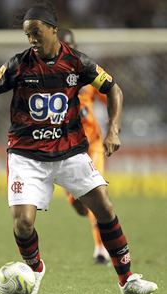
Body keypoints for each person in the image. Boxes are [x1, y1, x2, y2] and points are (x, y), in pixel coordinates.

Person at [0, 2, 157, 294]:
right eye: (27, 34)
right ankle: (35, 268)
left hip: (70, 151)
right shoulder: (18, 64)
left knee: (105, 208)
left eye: (35, 32)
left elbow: (114, 89)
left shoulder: (77, 62)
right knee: (23, 223)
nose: (31, 38)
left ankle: (127, 279)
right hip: (26, 155)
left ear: (53, 30)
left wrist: (114, 129)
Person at [58, 28, 110, 265]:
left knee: (99, 194)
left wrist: (114, 128)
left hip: (93, 144)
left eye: (71, 45)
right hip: (67, 146)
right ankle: (73, 198)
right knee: (81, 206)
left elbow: (111, 94)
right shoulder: (47, 74)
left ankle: (101, 248)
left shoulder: (88, 70)